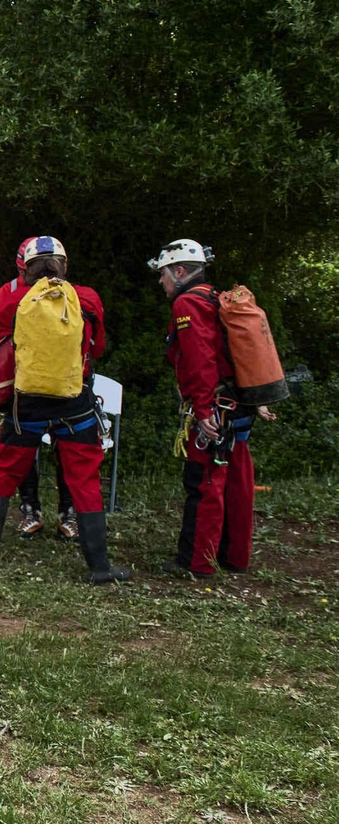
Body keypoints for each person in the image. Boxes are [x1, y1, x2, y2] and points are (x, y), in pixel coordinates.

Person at [0, 237, 130, 583]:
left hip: (24, 402)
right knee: (85, 480)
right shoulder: (86, 298)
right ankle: (99, 567)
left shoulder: (9, 297)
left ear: (24, 267)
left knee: (5, 471)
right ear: (64, 265)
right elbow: (97, 347)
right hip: (75, 402)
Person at [149, 239, 269, 578]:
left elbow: (201, 362)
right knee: (237, 483)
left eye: (164, 275)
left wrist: (202, 412)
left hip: (216, 409)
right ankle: (234, 556)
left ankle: (196, 562)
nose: (162, 282)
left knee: (204, 485)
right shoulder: (216, 298)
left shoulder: (187, 303)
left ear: (180, 271)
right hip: (238, 404)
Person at [0, 237, 75, 539]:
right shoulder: (77, 296)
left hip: (28, 392)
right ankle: (52, 513)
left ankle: (34, 511)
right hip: (55, 390)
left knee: (18, 457)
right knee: (44, 455)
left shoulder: (9, 296)